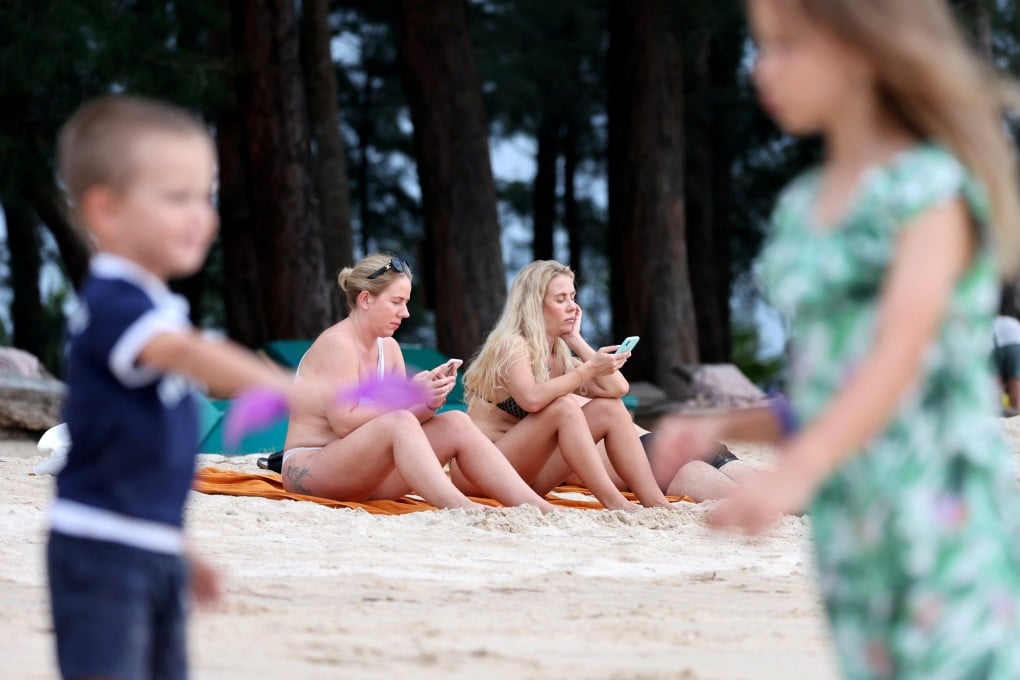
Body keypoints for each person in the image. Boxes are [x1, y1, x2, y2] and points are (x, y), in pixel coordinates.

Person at [653, 0, 1020, 676]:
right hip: (853, 530)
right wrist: (721, 425)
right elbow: (830, 391)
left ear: (863, 50)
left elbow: (902, 357)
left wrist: (795, 471)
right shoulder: (806, 207)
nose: (762, 69)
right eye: (760, 46)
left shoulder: (929, 190)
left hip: (943, 517)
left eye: (787, 46)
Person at [49, 95, 298, 679]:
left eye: (205, 197)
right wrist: (287, 386)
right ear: (106, 211)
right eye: (176, 198)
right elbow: (186, 351)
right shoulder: (115, 304)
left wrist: (178, 550)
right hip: (102, 554)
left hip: (149, 546)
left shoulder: (155, 306)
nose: (200, 216)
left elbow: (135, 459)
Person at [280, 253, 556, 513]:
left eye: (406, 303)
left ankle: (536, 507)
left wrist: (429, 400)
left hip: (365, 473)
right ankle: (459, 506)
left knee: (456, 421)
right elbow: (344, 423)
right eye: (396, 302)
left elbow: (408, 423)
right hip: (314, 469)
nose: (405, 313)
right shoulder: (338, 344)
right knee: (398, 420)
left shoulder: (389, 348)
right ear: (365, 299)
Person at [461, 259, 681, 511]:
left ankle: (654, 501)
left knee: (610, 409)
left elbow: (616, 389)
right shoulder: (512, 345)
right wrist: (588, 370)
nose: (573, 307)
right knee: (564, 406)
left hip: (528, 477)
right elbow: (531, 399)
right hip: (481, 473)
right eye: (561, 299)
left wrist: (575, 339)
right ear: (535, 305)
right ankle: (615, 502)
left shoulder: (558, 355)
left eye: (573, 297)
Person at [992, 302, 1020, 412]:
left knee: (996, 379)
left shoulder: (991, 321)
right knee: (1015, 379)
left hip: (996, 345)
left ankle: (995, 410)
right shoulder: (1012, 320)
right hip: (1016, 344)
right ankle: (1017, 408)